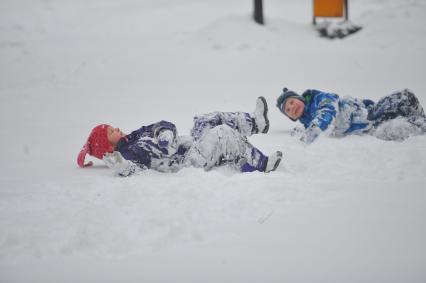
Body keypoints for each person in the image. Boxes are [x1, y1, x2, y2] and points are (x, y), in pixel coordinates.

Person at [77, 97, 283, 176]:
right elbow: (134, 168)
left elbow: (160, 124)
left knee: (204, 120)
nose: (118, 129)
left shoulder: (134, 137)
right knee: (221, 133)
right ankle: (262, 164)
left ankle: (256, 123)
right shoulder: (129, 152)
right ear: (108, 147)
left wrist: (165, 131)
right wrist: (120, 164)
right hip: (188, 161)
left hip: (188, 144)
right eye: (112, 132)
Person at [276, 87, 426, 143]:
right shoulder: (308, 124)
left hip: (370, 114)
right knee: (405, 127)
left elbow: (328, 110)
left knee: (404, 97)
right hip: (370, 129)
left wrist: (312, 131)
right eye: (288, 111)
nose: (292, 108)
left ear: (299, 99)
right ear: (292, 118)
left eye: (291, 102)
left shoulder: (319, 99)